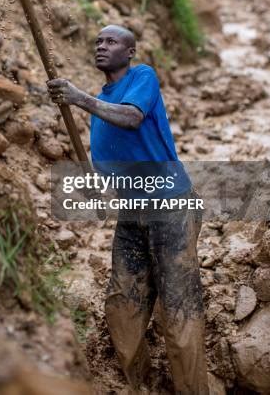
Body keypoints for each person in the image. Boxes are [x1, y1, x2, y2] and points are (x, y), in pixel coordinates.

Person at [47, 24, 209, 394]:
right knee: (122, 308)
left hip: (171, 207)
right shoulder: (99, 109)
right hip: (132, 216)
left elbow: (132, 117)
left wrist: (78, 98)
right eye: (98, 41)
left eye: (111, 41)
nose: (101, 46)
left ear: (130, 50)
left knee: (178, 308)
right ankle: (140, 385)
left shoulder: (142, 77)